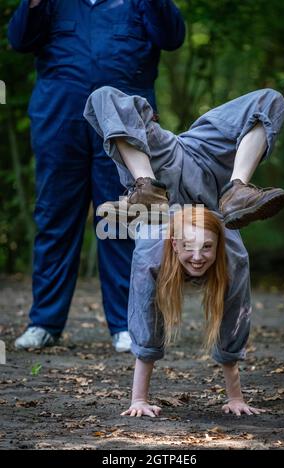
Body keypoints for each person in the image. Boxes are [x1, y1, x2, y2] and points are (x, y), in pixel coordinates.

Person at [82, 85, 284, 415]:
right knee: (102, 96)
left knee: (272, 101)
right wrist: (138, 400)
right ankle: (146, 183)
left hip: (190, 175)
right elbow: (147, 320)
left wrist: (235, 396)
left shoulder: (205, 246)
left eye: (206, 249)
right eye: (193, 250)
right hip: (176, 177)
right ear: (176, 245)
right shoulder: (184, 248)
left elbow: (234, 316)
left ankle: (237, 190)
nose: (198, 257)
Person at [8, 0, 185, 352]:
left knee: (124, 217)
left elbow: (172, 37)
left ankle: (126, 324)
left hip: (125, 127)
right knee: (54, 219)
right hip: (59, 120)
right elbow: (19, 40)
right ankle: (44, 323)